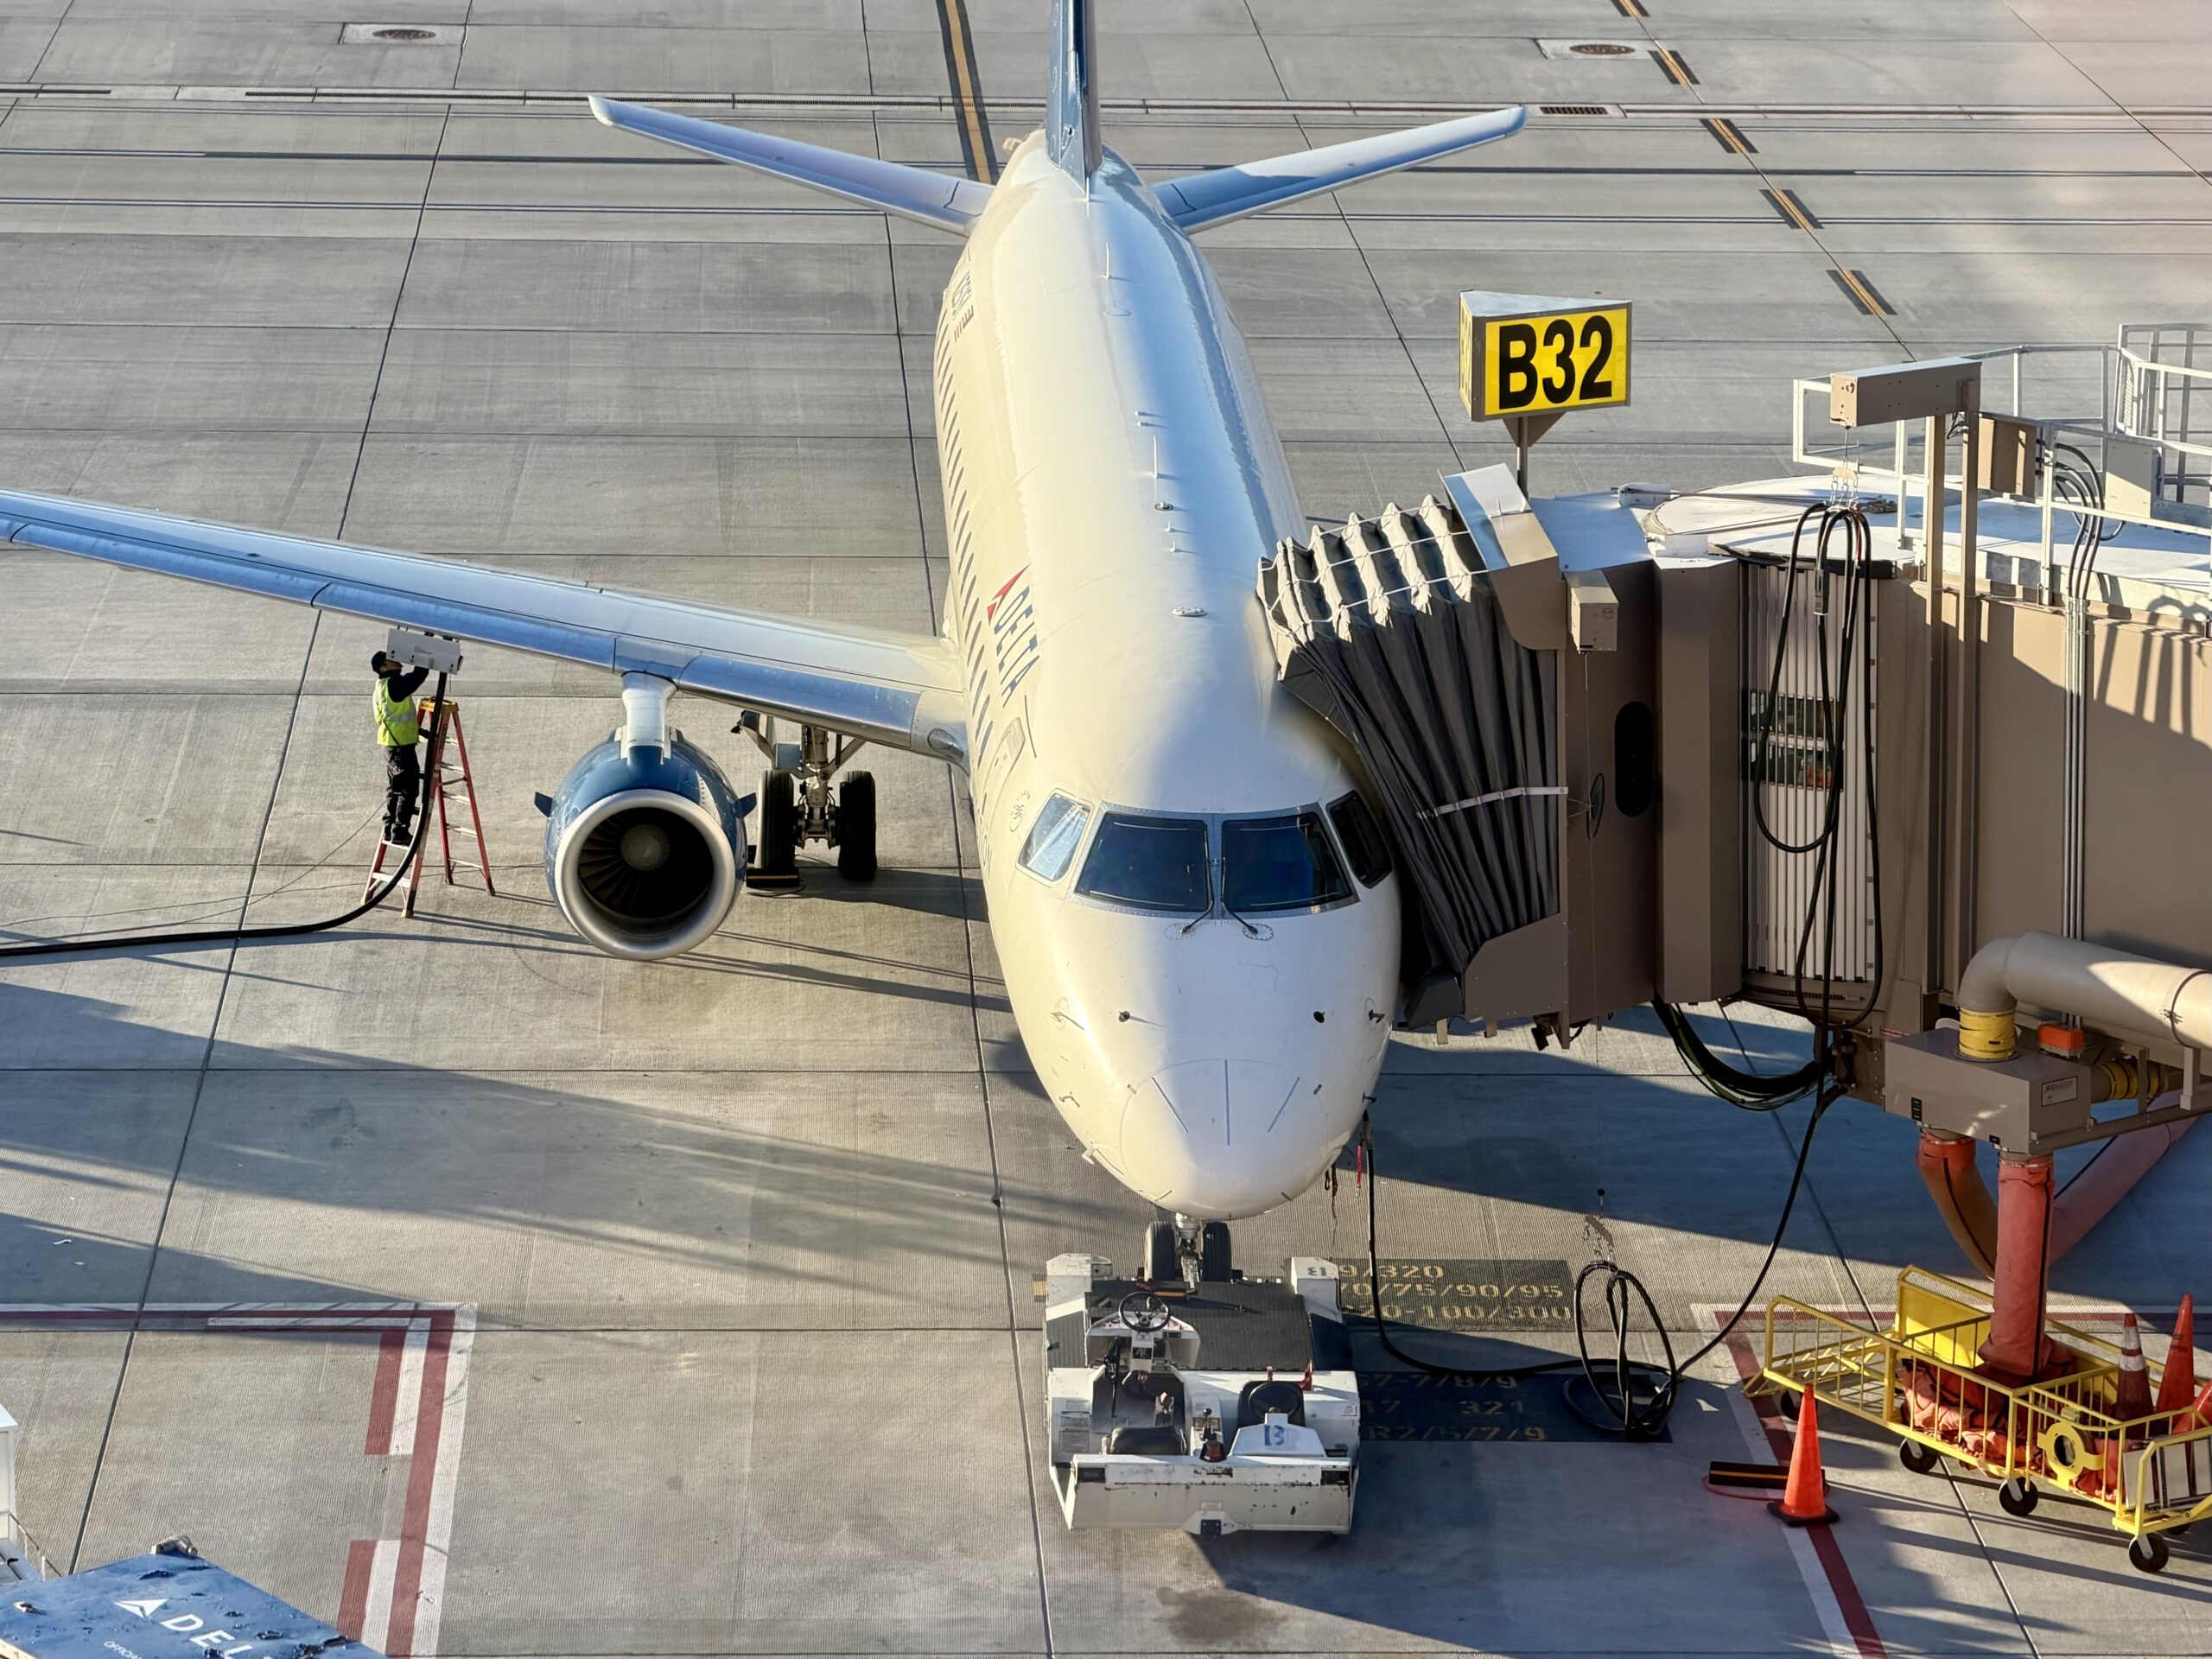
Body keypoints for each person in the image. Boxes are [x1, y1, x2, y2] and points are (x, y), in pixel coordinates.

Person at [372, 651, 430, 846]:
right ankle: (400, 831)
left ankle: (389, 829)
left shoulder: (381, 686)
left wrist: (419, 731)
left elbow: (392, 716)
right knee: (408, 790)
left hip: (391, 744)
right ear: (383, 667)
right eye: (391, 658)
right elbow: (417, 677)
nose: (396, 659)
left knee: (395, 789)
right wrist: (426, 654)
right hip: (399, 746)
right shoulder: (394, 685)